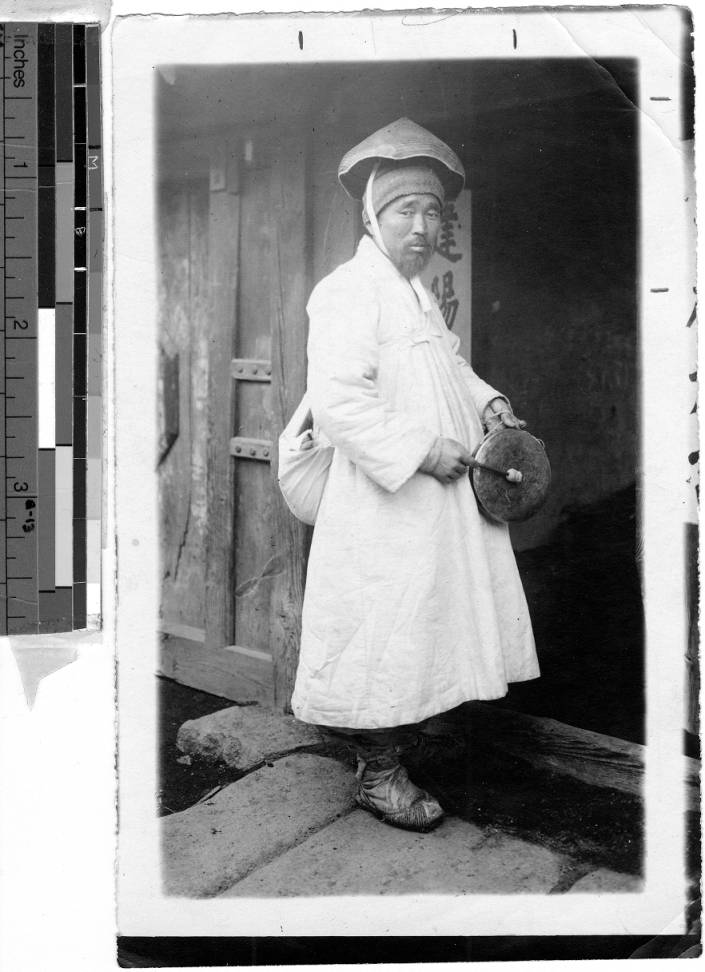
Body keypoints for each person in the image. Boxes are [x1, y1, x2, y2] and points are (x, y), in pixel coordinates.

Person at [290, 118, 540, 832]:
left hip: (434, 502)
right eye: (406, 209)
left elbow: (445, 364)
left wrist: (484, 398)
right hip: (382, 497)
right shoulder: (346, 291)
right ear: (371, 215)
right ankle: (376, 773)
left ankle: (399, 747)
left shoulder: (416, 294)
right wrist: (419, 451)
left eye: (434, 212)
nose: (423, 226)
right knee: (381, 626)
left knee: (424, 620)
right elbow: (339, 403)